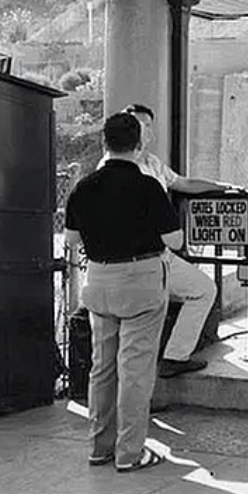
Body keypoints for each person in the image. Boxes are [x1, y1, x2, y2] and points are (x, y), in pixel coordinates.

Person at [64, 111, 182, 471]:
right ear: (139, 144)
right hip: (142, 282)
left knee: (102, 368)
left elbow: (71, 239)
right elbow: (173, 240)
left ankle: (99, 448)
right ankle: (130, 453)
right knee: (134, 371)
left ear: (104, 143)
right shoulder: (149, 186)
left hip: (99, 283)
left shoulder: (83, 187)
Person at [109, 104, 239, 377]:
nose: (144, 130)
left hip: (153, 256)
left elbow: (182, 182)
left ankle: (174, 357)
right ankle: (154, 382)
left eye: (148, 124)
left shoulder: (152, 163)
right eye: (137, 124)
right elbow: (174, 238)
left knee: (202, 289)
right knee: (140, 333)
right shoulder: (117, 172)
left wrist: (222, 187)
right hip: (137, 260)